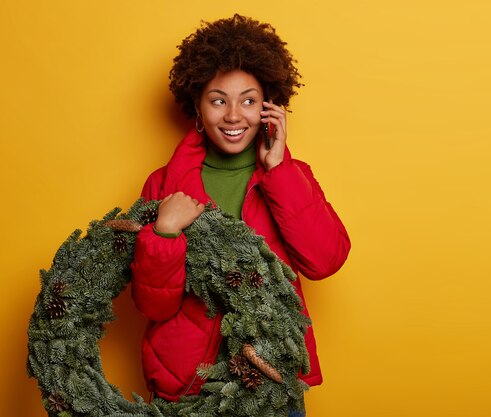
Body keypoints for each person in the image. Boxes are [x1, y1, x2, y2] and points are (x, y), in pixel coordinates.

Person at [129, 14, 351, 414]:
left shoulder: (291, 176)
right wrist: (163, 233)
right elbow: (154, 307)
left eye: (248, 100)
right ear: (196, 106)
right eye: (218, 100)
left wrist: (279, 171)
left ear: (269, 106)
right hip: (187, 384)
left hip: (271, 382)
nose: (233, 116)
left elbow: (325, 261)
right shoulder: (163, 184)